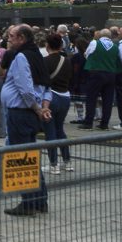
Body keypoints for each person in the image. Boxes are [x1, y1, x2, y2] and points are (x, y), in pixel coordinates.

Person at [0, 24, 53, 216]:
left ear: (22, 38)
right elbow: (46, 86)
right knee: (30, 157)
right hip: (28, 113)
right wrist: (44, 106)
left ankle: (28, 203)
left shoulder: (22, 57)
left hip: (21, 113)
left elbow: (25, 88)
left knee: (21, 158)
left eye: (12, 36)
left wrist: (38, 108)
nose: (8, 39)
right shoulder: (36, 55)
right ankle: (40, 200)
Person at [43, 33, 75, 174]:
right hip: (65, 97)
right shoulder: (67, 61)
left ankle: (53, 164)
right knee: (60, 129)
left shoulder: (45, 61)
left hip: (51, 97)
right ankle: (67, 162)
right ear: (61, 45)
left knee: (50, 131)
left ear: (47, 45)